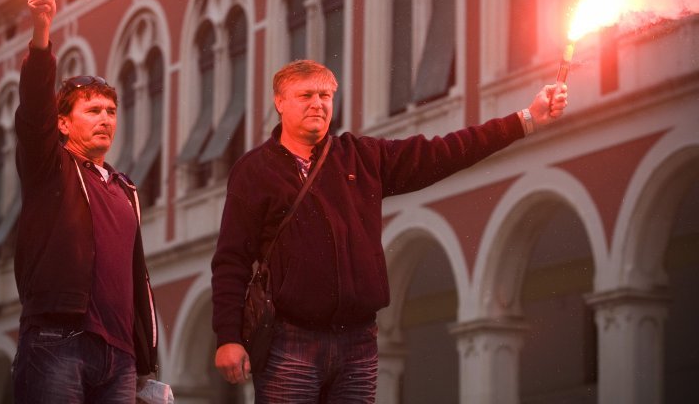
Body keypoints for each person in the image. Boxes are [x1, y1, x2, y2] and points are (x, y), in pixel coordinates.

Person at [211, 59, 568, 403]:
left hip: (358, 343)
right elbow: (231, 262)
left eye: (325, 96)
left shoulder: (361, 156)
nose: (318, 104)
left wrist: (526, 120)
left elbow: (445, 151)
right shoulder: (253, 171)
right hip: (290, 343)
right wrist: (228, 337)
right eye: (306, 96)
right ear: (280, 102)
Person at [12, 0, 158, 403]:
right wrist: (42, 36)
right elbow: (35, 109)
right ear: (62, 123)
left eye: (111, 111)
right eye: (92, 110)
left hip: (120, 356)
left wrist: (144, 352)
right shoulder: (49, 168)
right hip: (59, 342)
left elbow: (136, 277)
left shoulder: (123, 188)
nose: (105, 119)